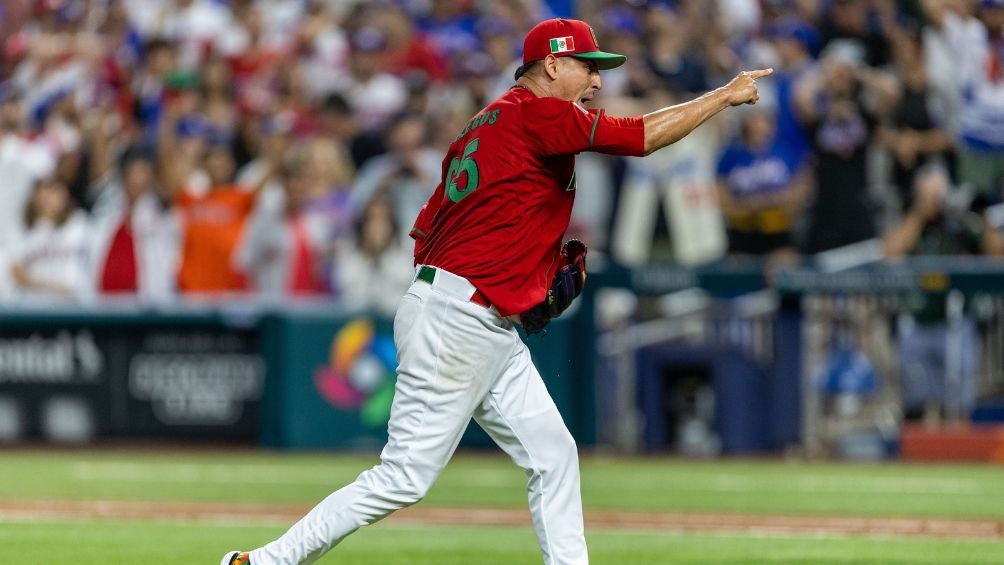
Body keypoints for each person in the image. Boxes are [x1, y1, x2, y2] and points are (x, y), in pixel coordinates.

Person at [222, 17, 769, 565]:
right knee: (404, 476)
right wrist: (724, 96)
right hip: (460, 315)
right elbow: (644, 136)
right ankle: (266, 560)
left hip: (471, 311)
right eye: (588, 67)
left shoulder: (486, 123)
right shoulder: (539, 111)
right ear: (552, 65)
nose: (597, 82)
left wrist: (515, 279)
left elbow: (428, 230)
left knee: (554, 455)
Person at [883, 165, 1004, 422]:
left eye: (939, 193)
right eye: (930, 194)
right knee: (915, 403)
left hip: (956, 323)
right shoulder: (915, 224)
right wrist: (920, 212)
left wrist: (979, 216)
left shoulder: (961, 224)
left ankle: (959, 455)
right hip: (918, 321)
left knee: (959, 402)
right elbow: (891, 252)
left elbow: (996, 255)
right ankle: (916, 456)